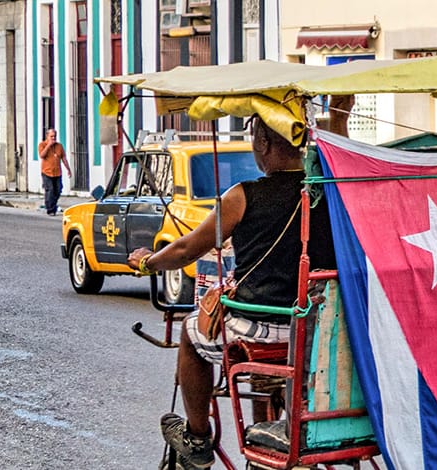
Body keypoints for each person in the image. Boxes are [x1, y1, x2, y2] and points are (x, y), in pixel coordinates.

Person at [127, 123, 336, 468]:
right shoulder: (329, 192)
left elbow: (184, 250)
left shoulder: (243, 195)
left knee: (191, 331)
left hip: (263, 329)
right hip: (318, 333)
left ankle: (196, 438)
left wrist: (148, 262)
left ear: (264, 143)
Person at [37, 129, 66, 214]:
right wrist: (48, 146)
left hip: (57, 172)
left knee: (58, 189)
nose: (53, 138)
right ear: (47, 136)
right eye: (51, 136)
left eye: (54, 136)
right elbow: (42, 155)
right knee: (50, 190)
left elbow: (63, 158)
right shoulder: (42, 145)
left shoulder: (59, 146)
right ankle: (50, 209)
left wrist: (68, 169)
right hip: (47, 172)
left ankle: (52, 205)